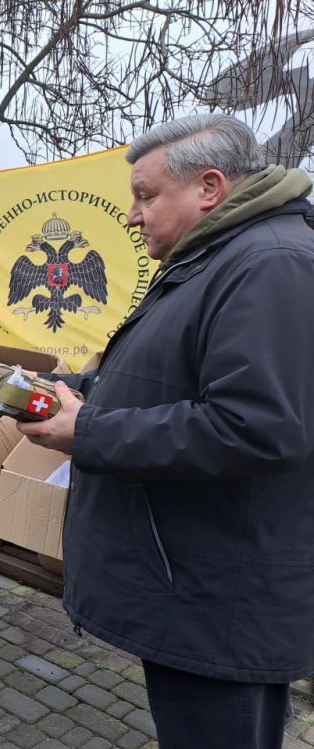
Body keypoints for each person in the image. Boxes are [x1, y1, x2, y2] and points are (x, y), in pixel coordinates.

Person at [17, 114, 314, 749]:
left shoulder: (271, 264)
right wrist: (86, 394)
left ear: (209, 186)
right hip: (197, 588)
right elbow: (179, 382)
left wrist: (88, 431)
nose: (131, 214)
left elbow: (256, 427)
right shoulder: (221, 255)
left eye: (146, 195)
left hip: (218, 605)